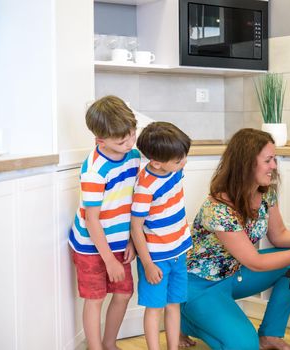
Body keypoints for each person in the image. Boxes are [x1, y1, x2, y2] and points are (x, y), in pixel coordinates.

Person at [179, 128, 290, 350]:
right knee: (245, 346)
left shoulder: (266, 193)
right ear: (246, 163)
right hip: (200, 286)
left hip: (234, 275)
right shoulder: (218, 208)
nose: (274, 166)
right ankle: (186, 319)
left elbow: (280, 236)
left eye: (274, 159)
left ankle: (270, 335)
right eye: (268, 160)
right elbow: (256, 262)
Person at [68, 95, 140, 350]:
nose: (130, 143)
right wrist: (109, 259)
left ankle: (110, 344)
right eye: (122, 140)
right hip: (90, 244)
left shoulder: (133, 156)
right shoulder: (95, 171)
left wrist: (131, 239)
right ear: (100, 140)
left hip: (118, 239)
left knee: (123, 293)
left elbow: (132, 202)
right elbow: (92, 220)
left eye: (132, 135)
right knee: (94, 298)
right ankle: (95, 347)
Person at [131, 122, 193, 350]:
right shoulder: (145, 187)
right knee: (154, 307)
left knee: (174, 304)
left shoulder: (174, 169)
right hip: (156, 258)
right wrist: (147, 264)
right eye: (179, 160)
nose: (184, 162)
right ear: (156, 162)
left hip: (179, 253)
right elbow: (136, 227)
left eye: (184, 156)